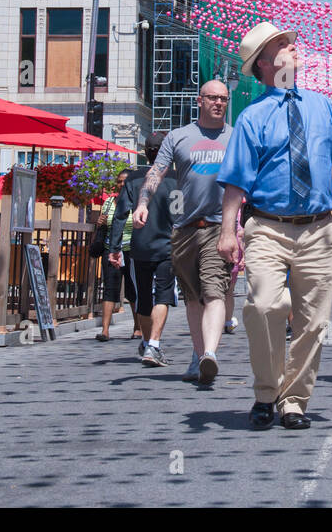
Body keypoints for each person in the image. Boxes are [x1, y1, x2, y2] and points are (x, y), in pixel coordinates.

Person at [217, 21, 332, 430]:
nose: (293, 49)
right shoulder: (252, 117)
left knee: (314, 322)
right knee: (263, 305)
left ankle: (293, 402)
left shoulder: (325, 108)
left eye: (290, 43)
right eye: (282, 46)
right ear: (264, 64)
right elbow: (235, 180)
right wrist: (228, 230)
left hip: (319, 229)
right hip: (267, 226)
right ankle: (267, 391)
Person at [134, 80, 233, 386]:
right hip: (184, 228)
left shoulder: (237, 137)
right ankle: (199, 355)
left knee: (214, 291)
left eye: (223, 99)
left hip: (219, 225)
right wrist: (143, 202)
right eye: (212, 98)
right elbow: (156, 171)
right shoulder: (178, 137)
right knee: (192, 297)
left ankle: (211, 355)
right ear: (199, 100)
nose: (218, 103)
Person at [107, 133, 178, 366]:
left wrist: (115, 247)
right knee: (164, 294)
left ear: (146, 153)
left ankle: (149, 344)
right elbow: (181, 214)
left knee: (144, 296)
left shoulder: (134, 180)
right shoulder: (177, 179)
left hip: (140, 247)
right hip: (169, 245)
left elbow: (119, 216)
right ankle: (153, 345)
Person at [94, 168, 130, 342]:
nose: (122, 184)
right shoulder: (109, 202)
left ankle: (138, 329)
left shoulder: (138, 202)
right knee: (109, 289)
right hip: (110, 249)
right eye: (119, 181)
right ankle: (105, 330)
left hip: (131, 250)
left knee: (133, 290)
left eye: (125, 181)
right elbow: (103, 222)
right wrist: (99, 222)